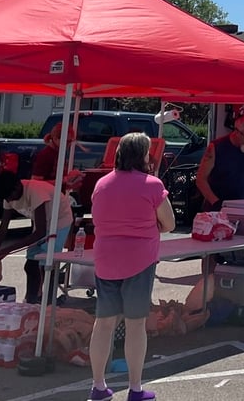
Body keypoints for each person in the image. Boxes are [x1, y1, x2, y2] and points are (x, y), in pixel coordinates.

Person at [87, 133, 174, 401]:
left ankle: (98, 386)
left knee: (103, 324)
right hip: (139, 260)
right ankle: (135, 389)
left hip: (105, 260)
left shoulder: (101, 184)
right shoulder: (152, 185)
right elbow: (169, 223)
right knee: (136, 326)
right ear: (143, 155)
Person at [0, 170, 74, 304]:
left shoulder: (35, 192)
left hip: (59, 220)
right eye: (6, 198)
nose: (9, 200)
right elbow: (3, 228)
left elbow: (40, 232)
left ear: (17, 187)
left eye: (10, 197)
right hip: (43, 222)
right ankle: (31, 300)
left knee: (47, 263)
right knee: (30, 264)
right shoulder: (8, 196)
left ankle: (49, 303)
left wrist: (7, 250)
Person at [195, 116, 244, 211]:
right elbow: (201, 179)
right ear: (237, 132)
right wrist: (215, 202)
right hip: (217, 203)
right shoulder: (216, 147)